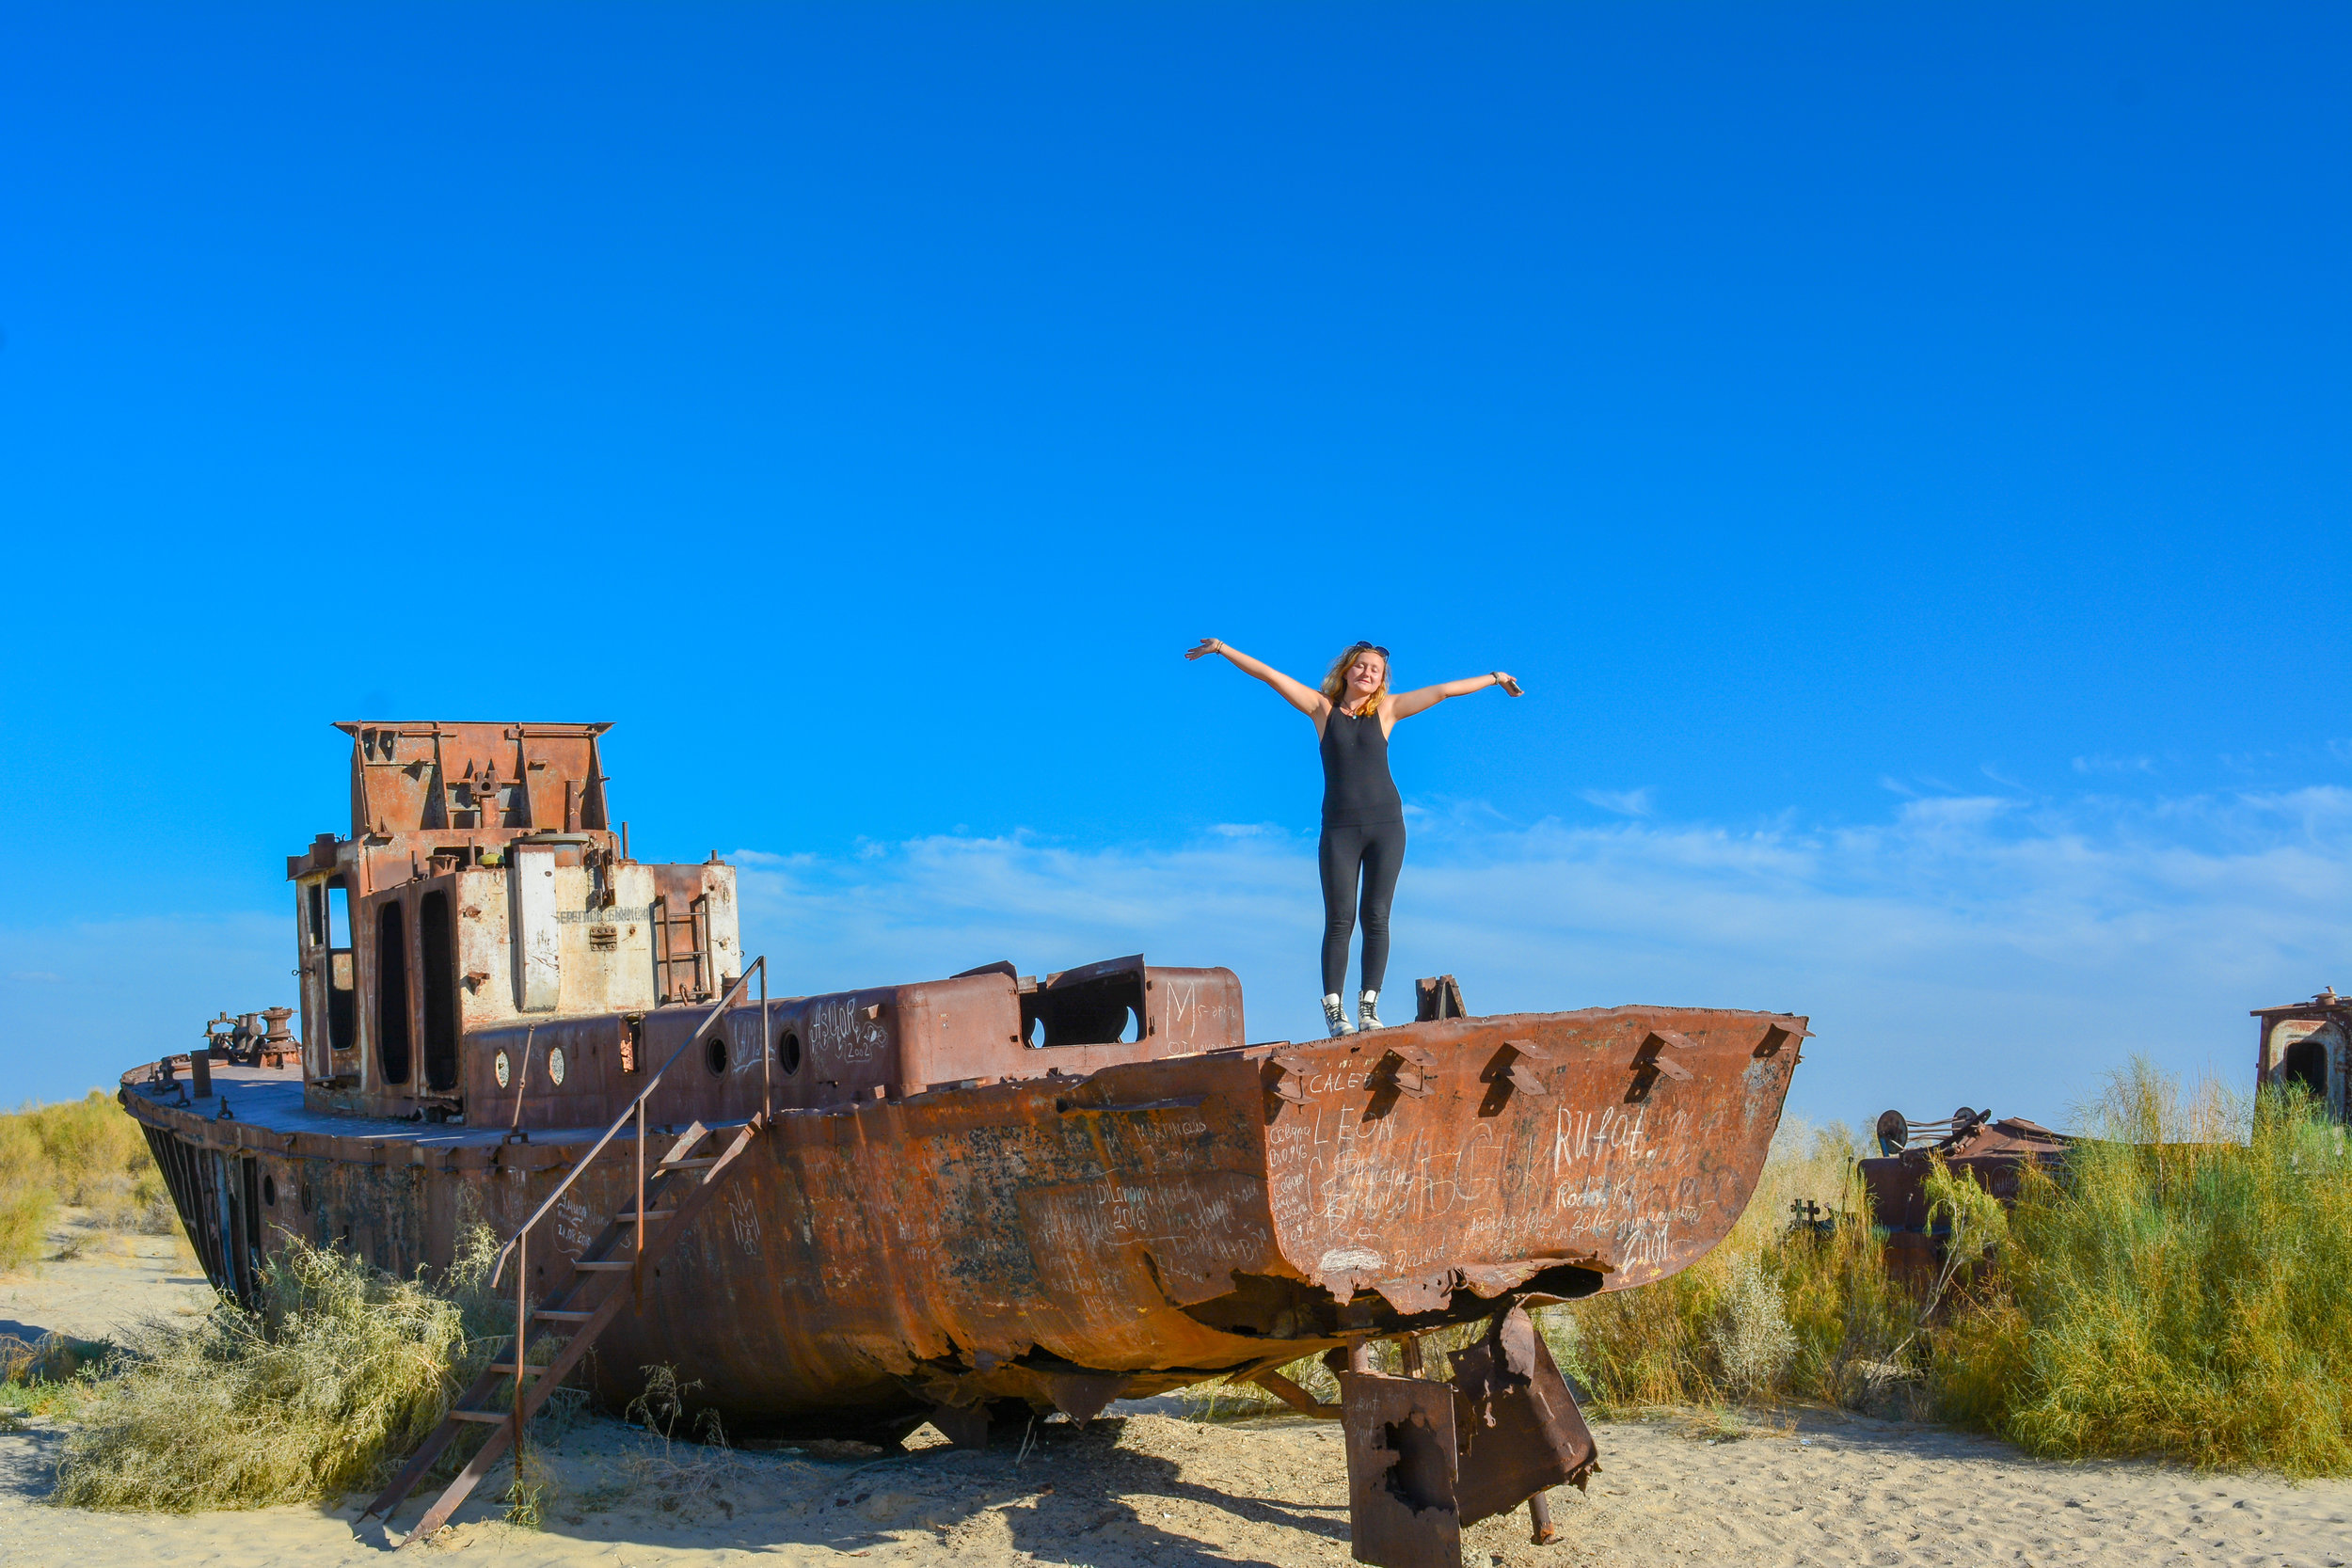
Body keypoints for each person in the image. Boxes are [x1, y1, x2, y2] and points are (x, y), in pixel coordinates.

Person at [1184, 638, 1522, 1037]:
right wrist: (1223, 649)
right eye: (1361, 666)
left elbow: (1444, 691)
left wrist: (1495, 678)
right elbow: (1269, 676)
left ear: (1381, 679)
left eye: (1375, 669)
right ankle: (1335, 1011)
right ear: (1347, 670)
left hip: (1387, 828)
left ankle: (1369, 1007)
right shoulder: (1321, 710)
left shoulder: (1388, 711)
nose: (1367, 673)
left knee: (1376, 916)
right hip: (1340, 830)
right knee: (1340, 918)